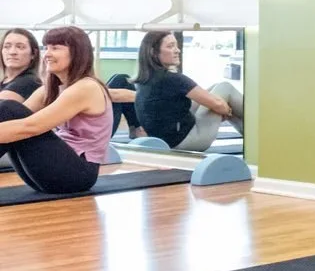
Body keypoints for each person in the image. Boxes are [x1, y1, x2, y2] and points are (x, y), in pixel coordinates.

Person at [0, 26, 112, 195]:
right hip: (54, 171)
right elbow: (12, 116)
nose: (47, 54)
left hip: (77, 174)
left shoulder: (86, 87)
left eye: (56, 48)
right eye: (47, 47)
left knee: (9, 107)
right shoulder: (51, 88)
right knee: (8, 108)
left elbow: (30, 127)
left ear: (77, 53)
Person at [106, 32, 243, 152]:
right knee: (225, 88)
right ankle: (258, 127)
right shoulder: (174, 80)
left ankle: (250, 132)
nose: (177, 50)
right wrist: (226, 110)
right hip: (188, 141)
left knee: (215, 88)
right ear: (154, 53)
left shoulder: (143, 80)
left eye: (176, 46)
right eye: (170, 46)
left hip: (167, 139)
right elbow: (219, 105)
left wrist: (218, 107)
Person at [1, 29, 42, 103]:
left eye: (20, 47)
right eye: (7, 47)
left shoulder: (30, 82)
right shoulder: (5, 81)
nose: (12, 52)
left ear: (33, 54)